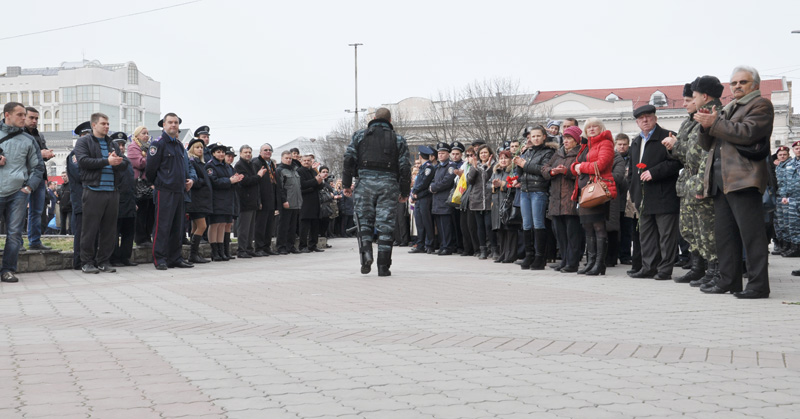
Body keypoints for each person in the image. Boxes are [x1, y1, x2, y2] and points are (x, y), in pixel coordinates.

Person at [696, 66, 773, 298]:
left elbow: (748, 132)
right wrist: (705, 126)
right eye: (734, 83)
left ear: (755, 85)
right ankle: (729, 281)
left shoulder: (761, 105)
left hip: (743, 178)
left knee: (752, 236)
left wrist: (714, 123)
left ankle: (758, 285)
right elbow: (706, 145)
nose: (737, 86)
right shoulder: (729, 108)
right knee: (725, 236)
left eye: (743, 82)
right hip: (722, 180)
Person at [663, 77, 724, 286]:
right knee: (691, 229)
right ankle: (699, 268)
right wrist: (674, 145)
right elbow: (686, 153)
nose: (686, 103)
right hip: (690, 179)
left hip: (703, 178)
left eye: (692, 98)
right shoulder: (691, 121)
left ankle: (714, 271)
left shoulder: (711, 116)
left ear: (703, 96)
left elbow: (709, 152)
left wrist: (701, 182)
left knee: (708, 230)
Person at [342, 107, 411, 276]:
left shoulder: (359, 136)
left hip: (364, 183)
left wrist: (346, 184)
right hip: (388, 185)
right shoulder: (398, 139)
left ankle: (366, 255)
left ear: (373, 118)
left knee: (364, 222)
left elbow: (349, 159)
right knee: (385, 225)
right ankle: (383, 266)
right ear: (390, 120)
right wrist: (404, 191)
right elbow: (405, 167)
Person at [627, 105, 682, 280]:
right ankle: (648, 267)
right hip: (642, 197)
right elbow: (631, 173)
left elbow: (677, 162)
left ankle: (665, 269)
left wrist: (654, 172)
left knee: (666, 235)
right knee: (646, 235)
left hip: (664, 194)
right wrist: (634, 192)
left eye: (648, 117)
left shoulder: (668, 136)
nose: (645, 120)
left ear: (655, 118)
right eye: (641, 118)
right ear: (637, 122)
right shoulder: (636, 141)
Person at [74, 113, 129, 274]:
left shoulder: (111, 143)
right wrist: (107, 161)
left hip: (112, 192)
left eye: (108, 124)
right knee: (89, 230)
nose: (107, 126)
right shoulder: (84, 141)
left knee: (109, 230)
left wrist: (117, 162)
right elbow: (83, 161)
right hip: (93, 191)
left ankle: (104, 261)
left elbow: (124, 163)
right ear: (94, 125)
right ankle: (87, 262)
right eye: (103, 124)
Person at [145, 113, 197, 270]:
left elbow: (182, 167)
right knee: (163, 226)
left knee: (177, 226)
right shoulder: (158, 144)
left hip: (179, 191)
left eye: (176, 123)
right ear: (164, 125)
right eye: (170, 122)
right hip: (164, 191)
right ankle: (160, 258)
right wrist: (159, 183)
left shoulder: (179, 145)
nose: (173, 125)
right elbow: (150, 169)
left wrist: (187, 181)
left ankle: (175, 257)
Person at [0, 102, 44, 283]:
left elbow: (38, 167)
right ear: (7, 115)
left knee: (14, 233)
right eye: (20, 115)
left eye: (25, 115)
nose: (24, 118)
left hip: (17, 192)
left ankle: (8, 270)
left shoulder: (29, 139)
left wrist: (29, 187)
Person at [570, 118, 617, 276]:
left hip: (597, 190)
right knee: (588, 227)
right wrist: (575, 166)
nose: (591, 129)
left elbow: (601, 164)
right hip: (585, 191)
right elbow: (575, 164)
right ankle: (590, 262)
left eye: (595, 126)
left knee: (598, 227)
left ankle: (599, 264)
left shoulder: (605, 143)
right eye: (588, 127)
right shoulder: (585, 145)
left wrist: (580, 167)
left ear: (601, 128)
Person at [514, 125, 557, 270]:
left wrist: (525, 164)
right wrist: (519, 164)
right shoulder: (528, 151)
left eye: (538, 135)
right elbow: (520, 171)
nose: (536, 138)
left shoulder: (548, 152)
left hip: (538, 190)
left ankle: (540, 256)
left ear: (544, 137)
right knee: (526, 224)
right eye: (533, 136)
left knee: (538, 223)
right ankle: (529, 254)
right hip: (525, 190)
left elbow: (542, 170)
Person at [542, 125, 582, 272]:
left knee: (572, 234)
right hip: (556, 200)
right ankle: (564, 260)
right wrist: (552, 172)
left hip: (570, 200)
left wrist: (567, 172)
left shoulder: (580, 154)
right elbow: (544, 169)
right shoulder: (558, 154)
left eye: (569, 138)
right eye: (565, 138)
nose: (566, 141)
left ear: (576, 141)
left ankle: (572, 263)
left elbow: (581, 173)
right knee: (560, 234)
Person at [206, 143, 243, 261]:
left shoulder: (227, 167)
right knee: (215, 225)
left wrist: (236, 179)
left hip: (228, 200)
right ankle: (215, 251)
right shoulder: (210, 166)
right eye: (218, 152)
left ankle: (222, 250)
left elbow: (231, 180)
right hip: (217, 199)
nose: (221, 154)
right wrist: (229, 180)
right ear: (213, 153)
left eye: (222, 152)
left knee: (223, 225)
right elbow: (214, 181)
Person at [23, 107, 53, 251]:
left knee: (37, 211)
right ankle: (17, 244)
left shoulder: (39, 136)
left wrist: (47, 154)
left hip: (39, 178)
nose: (34, 121)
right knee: (19, 211)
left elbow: (42, 158)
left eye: (36, 118)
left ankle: (35, 241)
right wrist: (39, 154)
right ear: (24, 117)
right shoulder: (18, 134)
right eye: (31, 118)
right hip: (23, 178)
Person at [109, 132, 137, 267]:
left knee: (129, 232)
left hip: (129, 201)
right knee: (114, 231)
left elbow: (131, 182)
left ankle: (125, 257)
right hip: (117, 201)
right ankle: (114, 258)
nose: (121, 147)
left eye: (122, 145)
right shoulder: (112, 161)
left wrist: (134, 201)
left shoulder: (126, 161)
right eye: (118, 145)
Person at [66, 121, 91, 270]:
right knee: (81, 231)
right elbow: (79, 175)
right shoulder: (75, 155)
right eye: (85, 136)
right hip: (81, 198)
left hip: (92, 198)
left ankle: (89, 259)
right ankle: (79, 261)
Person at [234, 145, 265, 258]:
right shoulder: (239, 166)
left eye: (249, 152)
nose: (248, 154)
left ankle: (249, 248)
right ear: (241, 153)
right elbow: (245, 181)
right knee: (244, 228)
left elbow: (256, 185)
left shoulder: (251, 164)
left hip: (253, 200)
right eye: (245, 152)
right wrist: (258, 176)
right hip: (244, 201)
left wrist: (258, 200)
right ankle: (241, 250)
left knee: (251, 228)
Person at [185, 137, 212, 264]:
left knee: (195, 226)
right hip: (196, 199)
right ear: (192, 149)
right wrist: (202, 182)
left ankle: (194, 253)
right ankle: (193, 254)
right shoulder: (192, 162)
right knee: (202, 226)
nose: (200, 149)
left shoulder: (201, 162)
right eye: (197, 147)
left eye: (201, 147)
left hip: (201, 199)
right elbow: (194, 180)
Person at [467, 144, 496, 259]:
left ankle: (494, 249)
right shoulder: (475, 165)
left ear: (490, 154)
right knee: (480, 226)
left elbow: (490, 179)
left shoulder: (494, 165)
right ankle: (482, 249)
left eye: (485, 152)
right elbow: (470, 180)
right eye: (481, 153)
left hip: (489, 199)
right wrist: (474, 167)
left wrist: (488, 168)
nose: (483, 155)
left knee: (489, 225)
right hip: (477, 199)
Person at [128, 126, 155, 246]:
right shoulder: (133, 147)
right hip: (139, 183)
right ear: (137, 135)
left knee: (150, 212)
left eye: (147, 133)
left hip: (149, 182)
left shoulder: (149, 148)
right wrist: (151, 158)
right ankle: (140, 238)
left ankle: (147, 236)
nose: (146, 135)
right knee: (141, 212)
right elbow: (139, 163)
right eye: (143, 133)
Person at [490, 150, 518, 263]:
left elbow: (514, 186)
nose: (503, 160)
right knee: (500, 230)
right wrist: (493, 185)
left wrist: (502, 184)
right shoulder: (496, 171)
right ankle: (502, 253)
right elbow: (488, 184)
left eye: (506, 158)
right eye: (501, 158)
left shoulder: (513, 171)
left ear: (510, 159)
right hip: (497, 204)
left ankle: (511, 254)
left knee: (510, 230)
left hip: (509, 203)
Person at [430, 142, 457, 256]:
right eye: (439, 153)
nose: (440, 155)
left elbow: (447, 181)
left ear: (448, 154)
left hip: (445, 199)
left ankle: (448, 246)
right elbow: (433, 180)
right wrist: (431, 186)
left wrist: (434, 187)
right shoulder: (438, 167)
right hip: (437, 200)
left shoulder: (450, 166)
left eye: (443, 153)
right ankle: (443, 245)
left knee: (446, 225)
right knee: (440, 225)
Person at [252, 143, 280, 256]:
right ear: (260, 152)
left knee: (269, 225)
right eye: (265, 150)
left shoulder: (271, 163)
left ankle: (266, 246)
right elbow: (257, 183)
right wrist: (258, 200)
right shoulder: (257, 163)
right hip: (262, 198)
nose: (268, 152)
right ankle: (259, 248)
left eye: (269, 150)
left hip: (271, 197)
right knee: (260, 225)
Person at [409, 146, 436, 254]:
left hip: (425, 198)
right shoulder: (423, 168)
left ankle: (429, 245)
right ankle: (420, 244)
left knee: (427, 222)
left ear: (420, 156)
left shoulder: (429, 167)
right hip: (419, 198)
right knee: (419, 223)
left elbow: (423, 183)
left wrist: (414, 191)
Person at [298, 154, 326, 253]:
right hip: (305, 201)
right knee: (304, 225)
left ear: (311, 162)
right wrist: (315, 181)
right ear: (301, 161)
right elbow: (302, 184)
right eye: (304, 160)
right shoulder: (299, 171)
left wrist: (317, 181)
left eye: (308, 160)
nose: (306, 162)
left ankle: (313, 245)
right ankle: (303, 245)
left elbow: (320, 185)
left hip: (315, 201)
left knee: (315, 225)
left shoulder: (313, 171)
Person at [276, 150, 302, 254]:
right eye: (286, 158)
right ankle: (281, 246)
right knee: (283, 226)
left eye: (290, 158)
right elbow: (280, 188)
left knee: (292, 227)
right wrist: (284, 200)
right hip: (287, 202)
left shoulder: (295, 170)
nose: (288, 160)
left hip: (296, 202)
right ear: (282, 158)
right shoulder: (280, 170)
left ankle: (290, 246)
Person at [615, 134, 635, 266]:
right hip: (615, 199)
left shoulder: (632, 158)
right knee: (615, 230)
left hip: (629, 199)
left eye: (624, 144)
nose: (622, 147)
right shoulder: (613, 158)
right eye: (619, 144)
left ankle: (625, 255)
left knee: (627, 229)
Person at [775, 146, 794, 257]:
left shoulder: (791, 165)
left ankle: (792, 246)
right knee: (780, 223)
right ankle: (784, 245)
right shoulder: (779, 166)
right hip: (779, 197)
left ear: (788, 155)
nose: (782, 156)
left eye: (784, 155)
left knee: (789, 223)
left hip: (787, 198)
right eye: (780, 155)